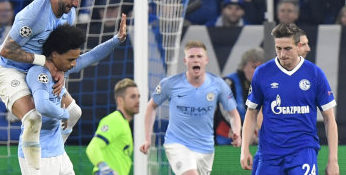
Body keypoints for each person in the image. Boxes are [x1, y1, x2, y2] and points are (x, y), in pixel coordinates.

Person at [0, 0, 86, 172]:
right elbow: (6, 51)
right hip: (8, 70)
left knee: (74, 112)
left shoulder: (69, 14)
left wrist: (60, 73)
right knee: (33, 118)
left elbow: (60, 51)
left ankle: (55, 150)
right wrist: (44, 62)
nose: (76, 4)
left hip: (37, 69)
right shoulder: (33, 15)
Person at [19, 22, 126, 175]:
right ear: (54, 54)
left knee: (76, 111)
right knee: (73, 112)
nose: (74, 64)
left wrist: (117, 39)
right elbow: (42, 106)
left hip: (58, 152)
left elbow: (92, 56)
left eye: (75, 59)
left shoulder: (62, 68)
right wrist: (64, 114)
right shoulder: (39, 73)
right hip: (37, 153)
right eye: (70, 60)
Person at [240, 23, 339, 175]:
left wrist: (333, 160)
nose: (282, 54)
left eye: (287, 49)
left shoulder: (315, 73)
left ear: (299, 46)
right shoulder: (262, 73)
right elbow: (251, 113)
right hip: (270, 153)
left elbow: (329, 119)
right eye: (278, 48)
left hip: (303, 150)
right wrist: (244, 148)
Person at [140, 40, 242, 175]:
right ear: (185, 60)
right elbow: (151, 107)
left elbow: (233, 113)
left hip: (205, 147)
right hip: (177, 143)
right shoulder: (170, 83)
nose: (195, 60)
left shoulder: (218, 84)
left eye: (199, 56)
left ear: (206, 60)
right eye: (191, 57)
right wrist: (147, 138)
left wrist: (236, 132)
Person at [86, 78, 139, 175]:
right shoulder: (114, 120)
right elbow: (93, 147)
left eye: (138, 96)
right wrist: (104, 168)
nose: (138, 101)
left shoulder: (124, 123)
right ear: (120, 100)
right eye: (133, 97)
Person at [215, 47, 264, 145]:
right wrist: (241, 130)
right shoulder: (229, 82)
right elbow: (225, 110)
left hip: (253, 136)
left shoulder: (265, 84)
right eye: (254, 67)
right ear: (243, 66)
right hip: (227, 137)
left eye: (261, 67)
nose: (258, 71)